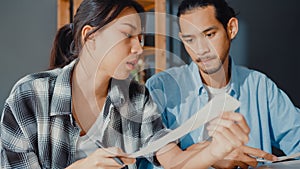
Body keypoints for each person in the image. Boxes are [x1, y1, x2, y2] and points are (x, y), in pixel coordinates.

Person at [0, 0, 252, 169]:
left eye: (141, 38)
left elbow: (173, 160)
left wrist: (215, 151)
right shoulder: (29, 97)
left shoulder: (137, 98)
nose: (139, 48)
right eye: (127, 35)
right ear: (90, 37)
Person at [143, 0, 300, 168]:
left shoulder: (260, 87)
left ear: (231, 28)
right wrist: (210, 154)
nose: (201, 49)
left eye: (209, 35)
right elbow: (161, 160)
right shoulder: (160, 88)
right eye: (190, 40)